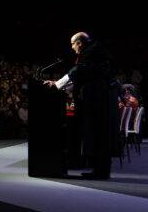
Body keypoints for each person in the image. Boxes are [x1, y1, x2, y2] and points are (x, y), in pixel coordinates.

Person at [45, 32, 117, 180]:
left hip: (98, 99)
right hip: (101, 97)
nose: (72, 47)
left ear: (80, 42)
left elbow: (78, 71)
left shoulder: (90, 52)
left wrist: (58, 84)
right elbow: (85, 75)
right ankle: (99, 170)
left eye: (73, 44)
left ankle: (100, 171)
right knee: (98, 134)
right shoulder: (95, 50)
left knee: (98, 133)